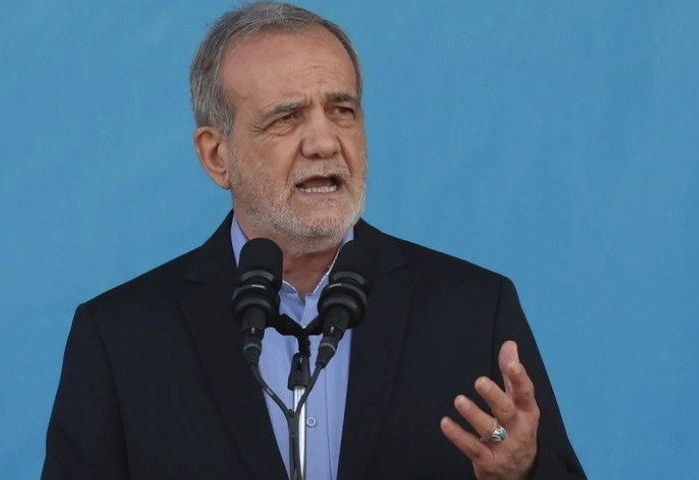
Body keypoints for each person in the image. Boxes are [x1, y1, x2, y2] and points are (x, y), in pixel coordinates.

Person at [41, 2, 586, 479]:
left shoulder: (473, 310)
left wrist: (522, 472)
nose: (324, 141)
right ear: (216, 155)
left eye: (341, 111)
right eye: (287, 118)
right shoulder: (121, 337)